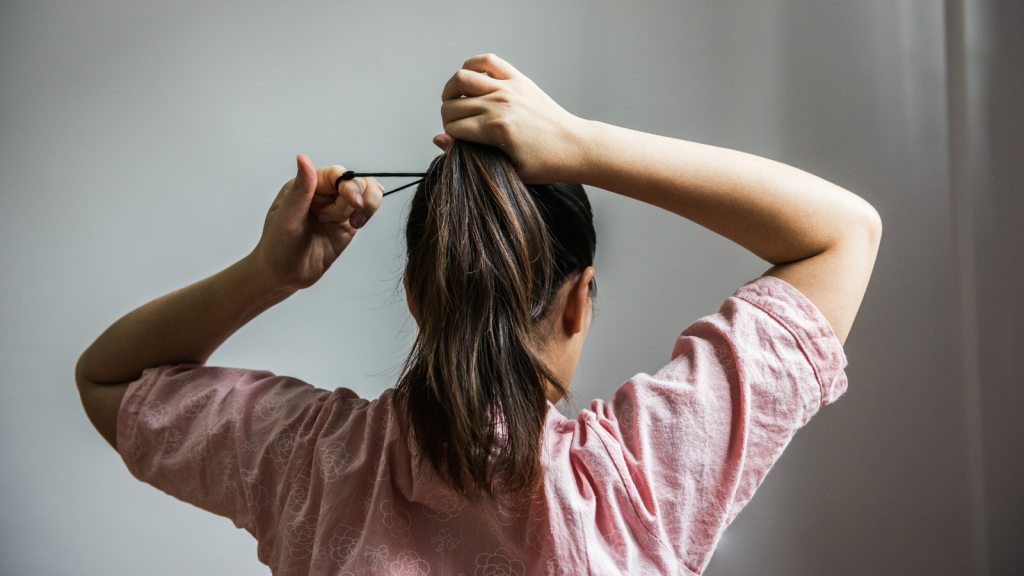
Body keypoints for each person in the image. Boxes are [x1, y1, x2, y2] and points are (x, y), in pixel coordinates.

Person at [75, 54, 881, 575]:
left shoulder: (309, 464)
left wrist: (268, 274)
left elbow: (108, 380)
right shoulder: (641, 482)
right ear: (578, 301)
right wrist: (581, 141)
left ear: (418, 295)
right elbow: (843, 234)